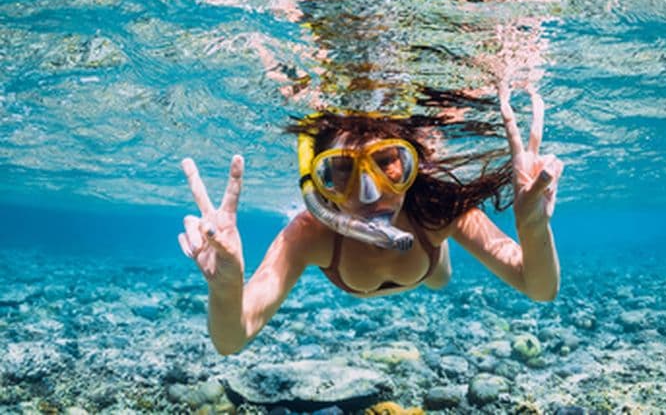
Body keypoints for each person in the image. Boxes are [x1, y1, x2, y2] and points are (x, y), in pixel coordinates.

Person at [178, 75, 564, 356]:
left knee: (438, 277)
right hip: (419, 253)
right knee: (432, 272)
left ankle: (440, 254)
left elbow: (538, 288)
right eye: (342, 171)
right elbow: (231, 340)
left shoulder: (436, 212)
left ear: (413, 165)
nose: (369, 192)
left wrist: (532, 228)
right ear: (319, 183)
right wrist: (226, 287)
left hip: (429, 260)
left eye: (387, 163)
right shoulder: (310, 233)